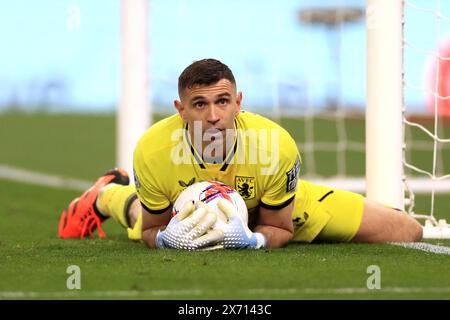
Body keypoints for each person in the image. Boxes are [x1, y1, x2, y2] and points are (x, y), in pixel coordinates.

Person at [58, 58, 423, 249]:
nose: (213, 116)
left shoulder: (276, 145)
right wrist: (168, 238)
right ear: (180, 109)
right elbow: (154, 228)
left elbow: (278, 225)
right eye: (199, 104)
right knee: (142, 216)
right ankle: (107, 196)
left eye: (222, 101)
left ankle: (107, 192)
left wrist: (254, 240)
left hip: (274, 207)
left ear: (238, 102)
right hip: (183, 213)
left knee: (407, 231)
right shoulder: (153, 150)